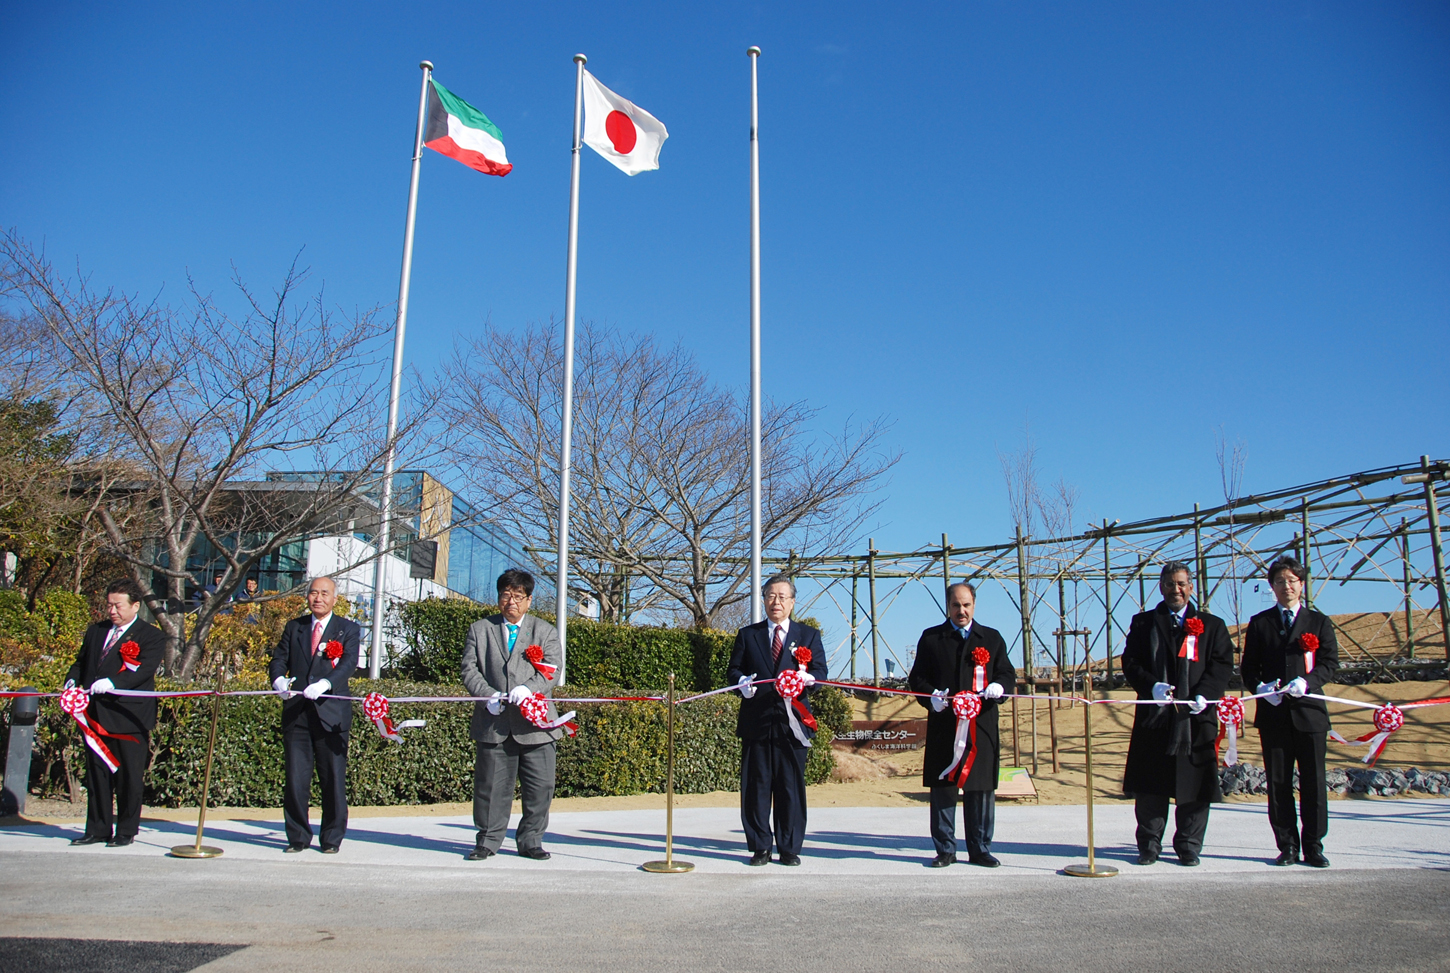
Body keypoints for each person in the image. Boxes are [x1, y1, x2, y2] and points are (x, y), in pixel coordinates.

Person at [1121, 561, 1234, 866]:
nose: (1176, 590)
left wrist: (1206, 694)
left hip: (1195, 720)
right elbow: (1130, 663)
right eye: (1170, 584)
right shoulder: (1144, 623)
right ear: (1161, 587)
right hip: (1154, 719)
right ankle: (1149, 845)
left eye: (1182, 584)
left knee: (1194, 786)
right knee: (1150, 787)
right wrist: (1150, 687)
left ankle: (1189, 845)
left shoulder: (1212, 625)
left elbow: (1222, 665)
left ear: (1191, 587)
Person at [907, 582, 1016, 867]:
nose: (961, 610)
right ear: (948, 606)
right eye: (956, 605)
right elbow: (917, 679)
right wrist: (931, 697)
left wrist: (998, 687)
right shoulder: (932, 638)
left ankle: (980, 848)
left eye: (966, 605)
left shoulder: (991, 638)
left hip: (981, 728)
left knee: (980, 788)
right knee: (944, 786)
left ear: (974, 605)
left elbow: (1007, 674)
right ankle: (945, 848)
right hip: (945, 725)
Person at [1240, 555, 1339, 868]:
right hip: (1274, 717)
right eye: (1280, 581)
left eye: (1292, 581)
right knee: (1279, 783)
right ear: (1272, 586)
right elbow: (1248, 668)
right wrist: (1260, 688)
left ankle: (1314, 846)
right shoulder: (1260, 623)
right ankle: (1287, 846)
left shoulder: (1318, 622)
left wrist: (1307, 682)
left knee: (1313, 783)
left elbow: (1329, 663)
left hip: (1310, 714)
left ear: (1302, 584)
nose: (1286, 587)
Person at [460, 568, 564, 861]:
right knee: (490, 787)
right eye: (506, 595)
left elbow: (552, 670)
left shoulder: (545, 632)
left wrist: (529, 690)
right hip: (493, 722)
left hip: (536, 725)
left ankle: (531, 840)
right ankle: (488, 841)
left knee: (539, 787)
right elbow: (469, 669)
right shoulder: (480, 629)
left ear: (529, 600)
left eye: (518, 596)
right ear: (498, 597)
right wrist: (487, 696)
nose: (511, 602)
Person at [726, 576, 828, 866]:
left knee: (790, 787)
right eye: (771, 596)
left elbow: (820, 672)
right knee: (756, 786)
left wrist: (809, 680)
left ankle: (789, 847)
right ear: (763, 599)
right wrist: (741, 683)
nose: (777, 602)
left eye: (783, 597)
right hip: (756, 722)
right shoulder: (749, 635)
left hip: (793, 726)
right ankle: (760, 846)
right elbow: (733, 670)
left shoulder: (808, 635)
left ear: (793, 602)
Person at [65, 579, 166, 847]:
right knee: (97, 774)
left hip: (127, 717)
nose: (112, 611)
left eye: (117, 605)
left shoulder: (151, 635)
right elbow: (81, 661)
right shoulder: (96, 631)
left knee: (128, 777)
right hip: (95, 716)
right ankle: (97, 829)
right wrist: (72, 682)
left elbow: (145, 669)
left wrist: (113, 683)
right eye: (109, 605)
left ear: (135, 606)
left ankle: (125, 831)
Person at [268, 576, 360, 853]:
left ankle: (331, 839)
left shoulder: (348, 628)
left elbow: (348, 663)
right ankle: (297, 837)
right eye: (313, 593)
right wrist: (278, 681)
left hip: (331, 716)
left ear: (334, 598)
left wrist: (326, 683)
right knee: (296, 780)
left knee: (332, 779)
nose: (317, 598)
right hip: (297, 715)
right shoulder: (294, 627)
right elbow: (279, 659)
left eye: (324, 593)